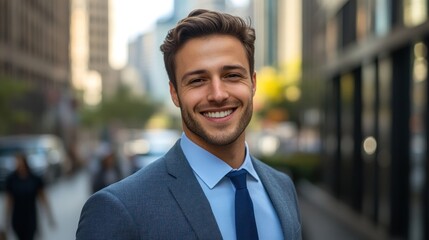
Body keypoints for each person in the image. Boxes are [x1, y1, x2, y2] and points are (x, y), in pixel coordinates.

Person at [76, 9, 302, 240]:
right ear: (174, 93)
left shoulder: (282, 187)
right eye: (198, 80)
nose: (218, 94)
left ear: (253, 83)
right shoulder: (118, 209)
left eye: (232, 75)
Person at [4, 153, 56, 240]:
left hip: (30, 218)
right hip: (17, 218)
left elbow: (43, 198)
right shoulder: (12, 180)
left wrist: (49, 216)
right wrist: (6, 221)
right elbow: (9, 201)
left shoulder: (34, 179)